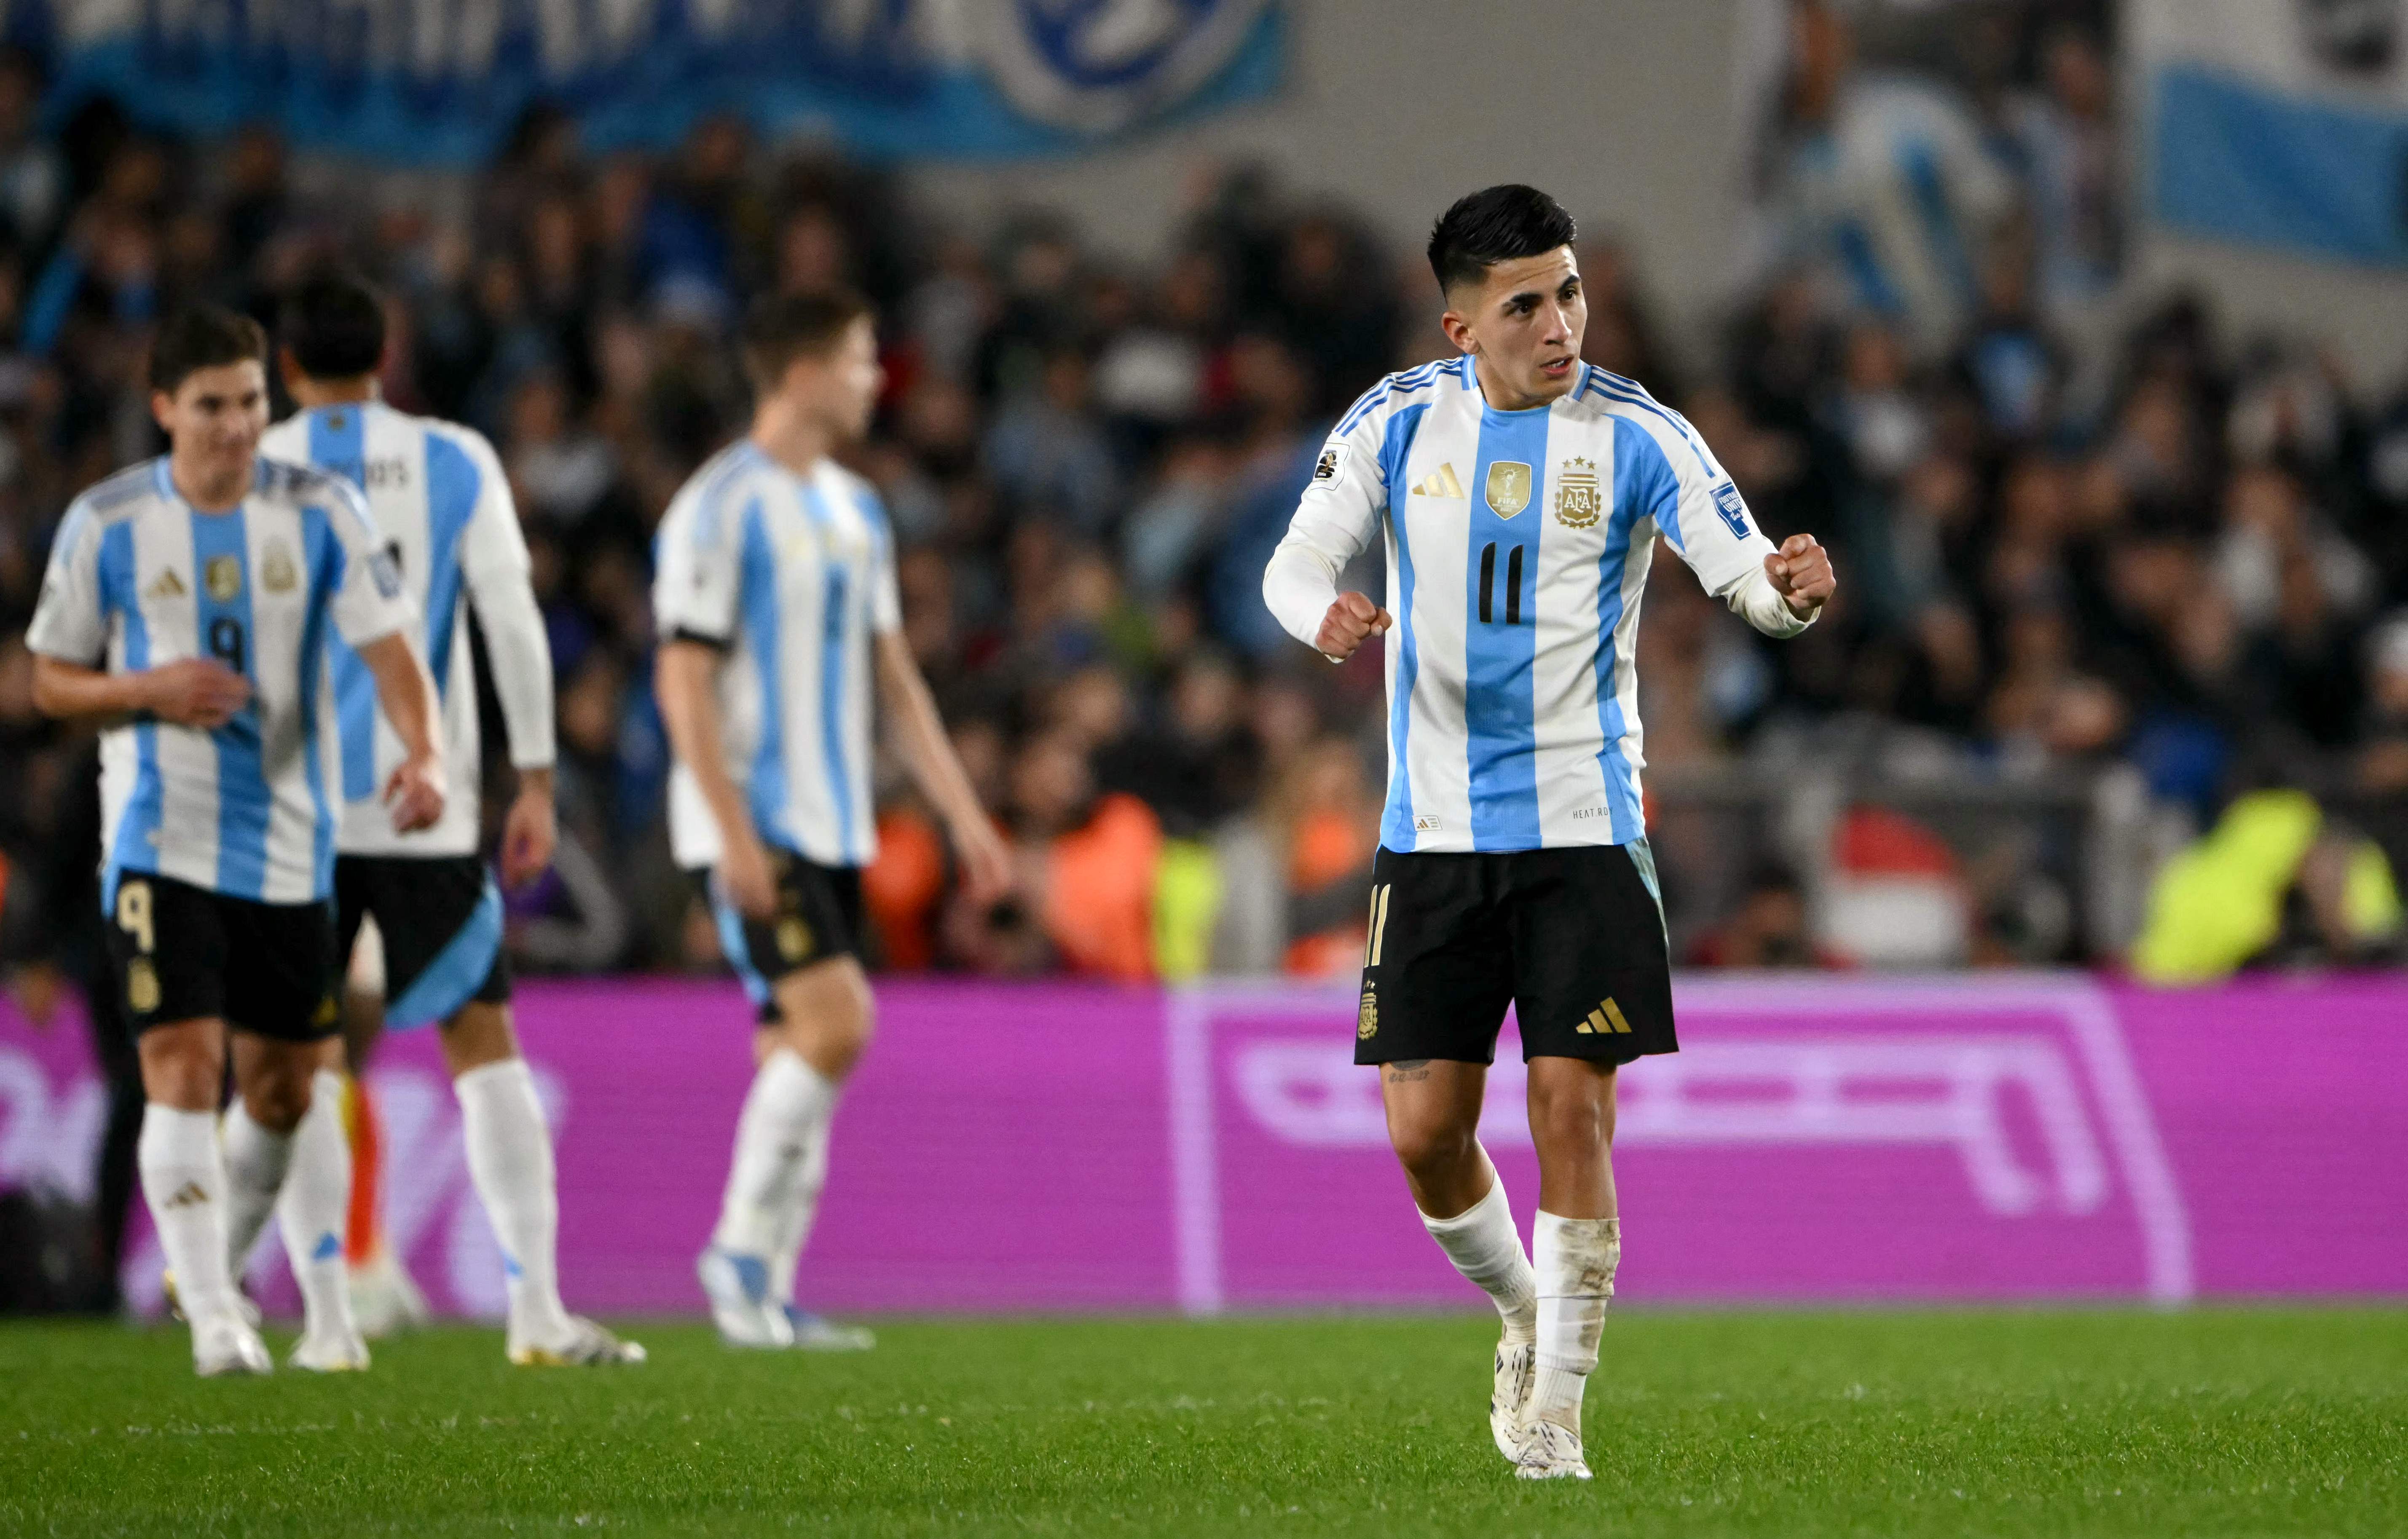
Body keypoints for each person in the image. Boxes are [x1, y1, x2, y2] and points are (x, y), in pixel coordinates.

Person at [1260, 186, 1837, 1479]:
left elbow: (1742, 569)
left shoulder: (1638, 434)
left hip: (1585, 818)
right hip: (1435, 831)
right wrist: (1325, 618)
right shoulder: (1397, 421)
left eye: (1568, 290)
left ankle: (1557, 1419)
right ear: (1461, 323)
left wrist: (1789, 597)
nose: (1559, 322)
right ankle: (1526, 1307)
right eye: (1524, 303)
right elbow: (1292, 565)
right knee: (1423, 1132)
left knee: (1572, 1106)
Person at [24, 304, 445, 1375]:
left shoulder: (322, 513)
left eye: (252, 401)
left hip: (292, 848)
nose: (236, 425)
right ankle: (215, 1315)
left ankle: (283, 1289)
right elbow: (47, 680)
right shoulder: (108, 524)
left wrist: (425, 753)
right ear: (165, 408)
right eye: (212, 405)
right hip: (161, 837)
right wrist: (145, 688)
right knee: (181, 1065)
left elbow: (395, 655)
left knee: (288, 1088)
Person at [259, 270, 642, 1367]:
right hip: (426, 810)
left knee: (305, 1060)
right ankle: (537, 1314)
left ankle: (329, 1323)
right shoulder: (454, 457)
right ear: (391, 359)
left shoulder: (256, 469)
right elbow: (511, 621)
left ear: (285, 371)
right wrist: (532, 780)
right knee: (484, 1049)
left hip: (295, 818)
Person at [653, 290, 1011, 1350]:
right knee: (838, 1021)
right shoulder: (716, 507)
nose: (873, 380)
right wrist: (728, 830)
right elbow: (681, 677)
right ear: (801, 372)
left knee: (798, 1047)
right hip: (756, 819)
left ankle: (764, 1298)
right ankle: (736, 1255)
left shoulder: (857, 511)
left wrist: (965, 818)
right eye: (858, 360)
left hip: (836, 820)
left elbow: (893, 682)